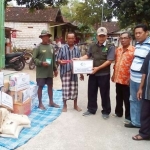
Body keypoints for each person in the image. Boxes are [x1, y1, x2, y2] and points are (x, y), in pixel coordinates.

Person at [79, 27, 115, 119]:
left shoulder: (110, 46)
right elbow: (88, 55)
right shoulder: (92, 45)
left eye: (103, 36)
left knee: (105, 93)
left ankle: (106, 111)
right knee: (91, 92)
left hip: (104, 74)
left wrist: (98, 68)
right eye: (100, 36)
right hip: (92, 73)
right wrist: (79, 59)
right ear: (97, 36)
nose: (101, 38)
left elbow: (109, 60)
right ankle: (91, 109)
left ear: (106, 36)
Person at [125, 24, 150, 128]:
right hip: (133, 78)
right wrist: (129, 77)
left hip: (142, 80)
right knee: (133, 99)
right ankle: (135, 122)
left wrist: (141, 85)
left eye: (140, 33)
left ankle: (142, 124)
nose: (138, 35)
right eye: (136, 33)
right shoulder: (138, 45)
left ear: (147, 32)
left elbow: (146, 67)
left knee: (142, 102)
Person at [56, 32, 84, 112]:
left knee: (75, 89)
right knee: (65, 89)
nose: (71, 40)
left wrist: (81, 74)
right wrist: (60, 62)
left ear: (74, 39)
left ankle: (75, 105)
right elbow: (57, 59)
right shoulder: (62, 48)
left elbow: (80, 62)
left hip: (74, 72)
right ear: (67, 39)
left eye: (72, 38)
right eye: (69, 38)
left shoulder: (77, 49)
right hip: (65, 72)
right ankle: (65, 105)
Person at [111, 32, 135, 123]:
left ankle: (128, 117)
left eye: (125, 38)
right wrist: (113, 75)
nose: (123, 40)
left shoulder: (133, 51)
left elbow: (134, 66)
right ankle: (118, 112)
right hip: (118, 78)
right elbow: (116, 64)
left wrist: (131, 78)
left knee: (127, 99)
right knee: (118, 97)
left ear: (130, 39)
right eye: (121, 38)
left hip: (127, 80)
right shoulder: (118, 50)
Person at [33, 30, 59, 110]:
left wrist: (55, 69)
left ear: (49, 37)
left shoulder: (51, 47)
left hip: (49, 72)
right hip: (41, 72)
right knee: (40, 87)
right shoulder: (38, 47)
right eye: (44, 36)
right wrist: (41, 63)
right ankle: (40, 103)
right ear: (41, 37)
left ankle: (51, 102)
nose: (46, 37)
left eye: (47, 36)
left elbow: (53, 59)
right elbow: (34, 59)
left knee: (50, 86)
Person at [132, 52, 150, 140]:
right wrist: (140, 88)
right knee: (145, 113)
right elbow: (144, 72)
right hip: (148, 90)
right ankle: (144, 134)